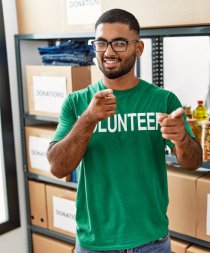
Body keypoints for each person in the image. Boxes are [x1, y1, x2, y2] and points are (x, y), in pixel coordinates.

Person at [47, 8, 202, 253]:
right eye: (101, 43)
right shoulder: (76, 103)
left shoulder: (163, 101)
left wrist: (182, 138)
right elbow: (57, 167)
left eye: (119, 43)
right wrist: (88, 119)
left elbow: (193, 162)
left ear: (138, 48)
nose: (108, 52)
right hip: (94, 244)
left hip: (151, 243)